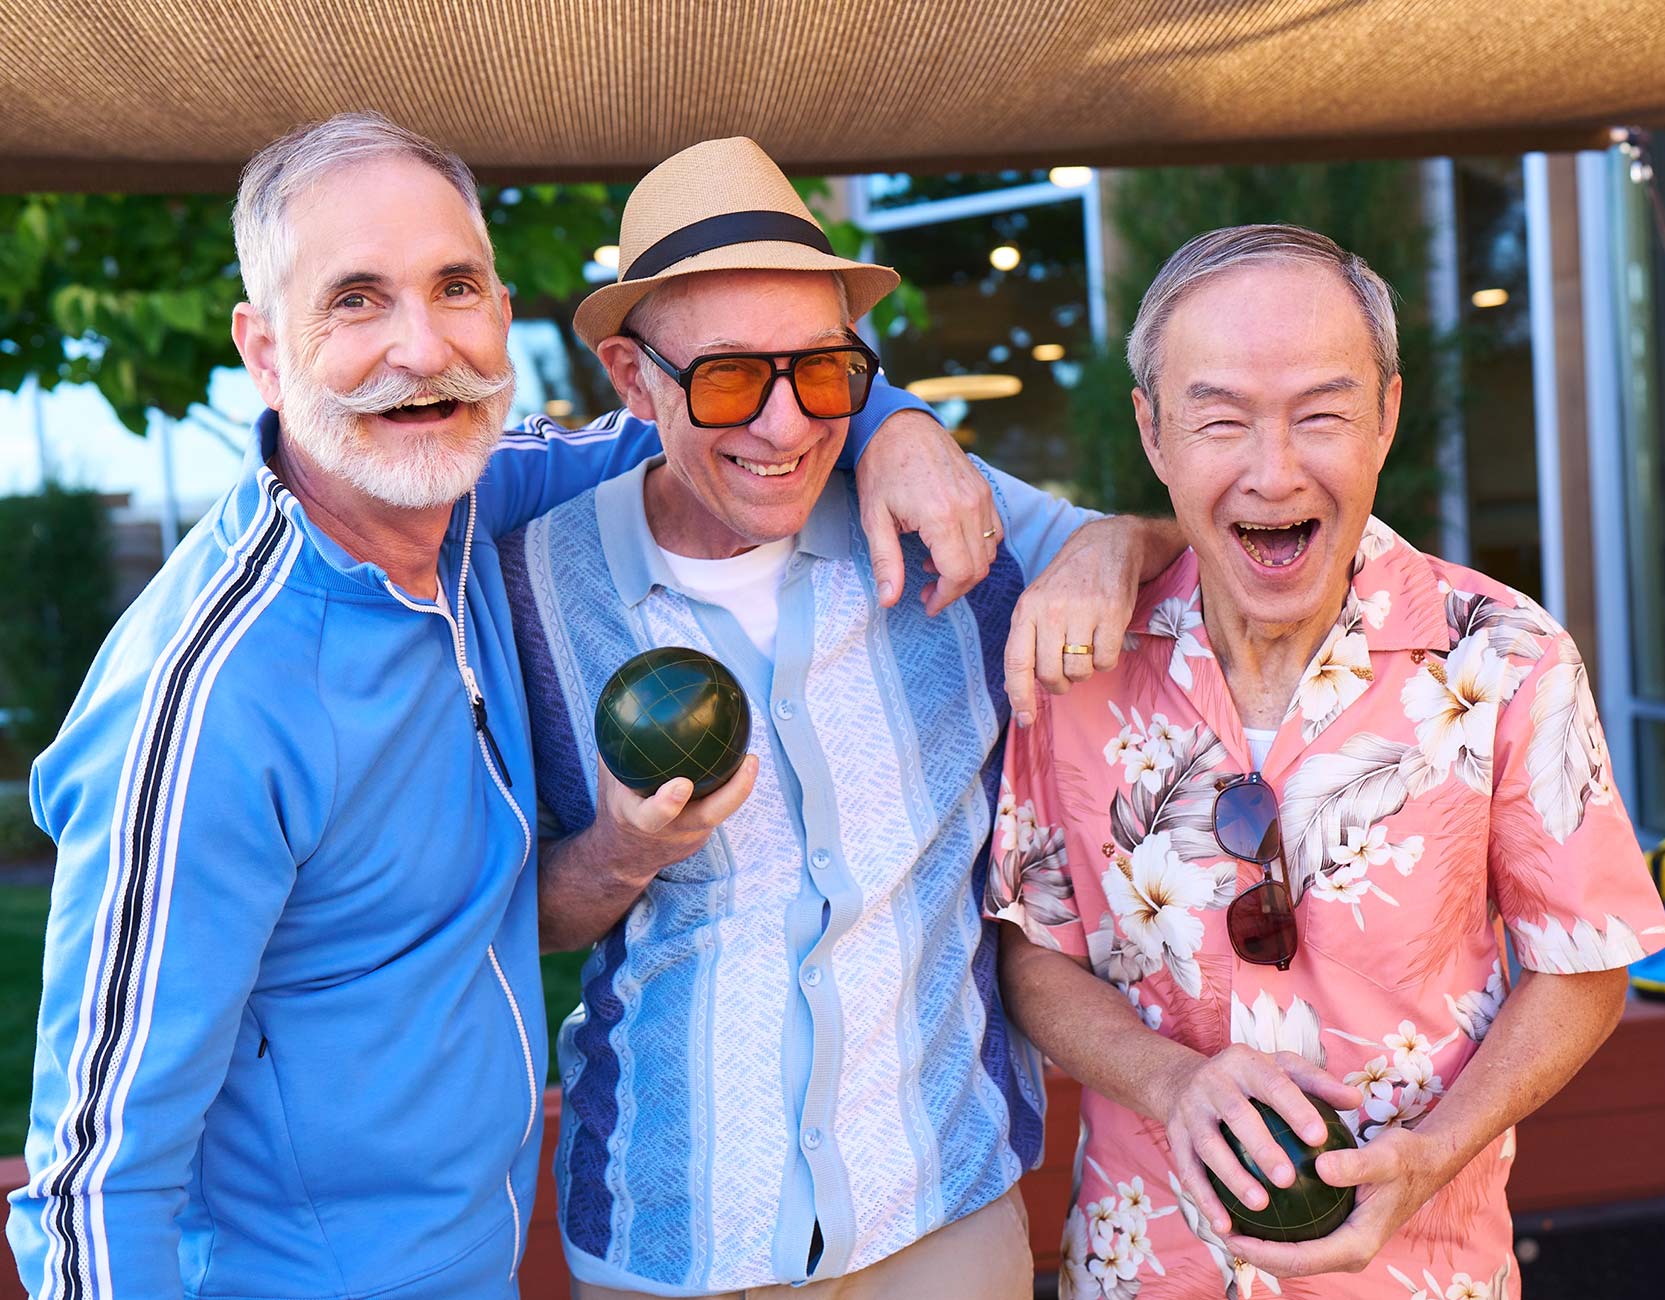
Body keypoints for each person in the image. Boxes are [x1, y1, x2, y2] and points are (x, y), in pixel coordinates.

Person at [6, 113, 1009, 1300]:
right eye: (357, 300)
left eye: (455, 286)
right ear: (265, 349)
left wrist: (897, 427)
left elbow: (723, 418)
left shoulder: (480, 492)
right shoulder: (210, 694)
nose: (421, 348)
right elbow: (90, 1181)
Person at [497, 136, 1184, 1300]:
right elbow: (528, 915)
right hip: (675, 1233)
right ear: (631, 375)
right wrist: (623, 851)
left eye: (822, 373)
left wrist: (1112, 549)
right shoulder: (529, 587)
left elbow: (1160, 543)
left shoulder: (944, 527)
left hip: (943, 1209)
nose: (783, 428)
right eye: (725, 380)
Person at [986, 225, 1665, 1298]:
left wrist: (1437, 1151)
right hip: (1143, 1265)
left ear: (1387, 417)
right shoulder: (1076, 659)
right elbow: (1034, 952)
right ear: (1153, 431)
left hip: (1421, 1272)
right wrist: (1174, 1086)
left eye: (1322, 413)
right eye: (1220, 419)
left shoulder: (1504, 654)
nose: (1274, 470)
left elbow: (1585, 963)